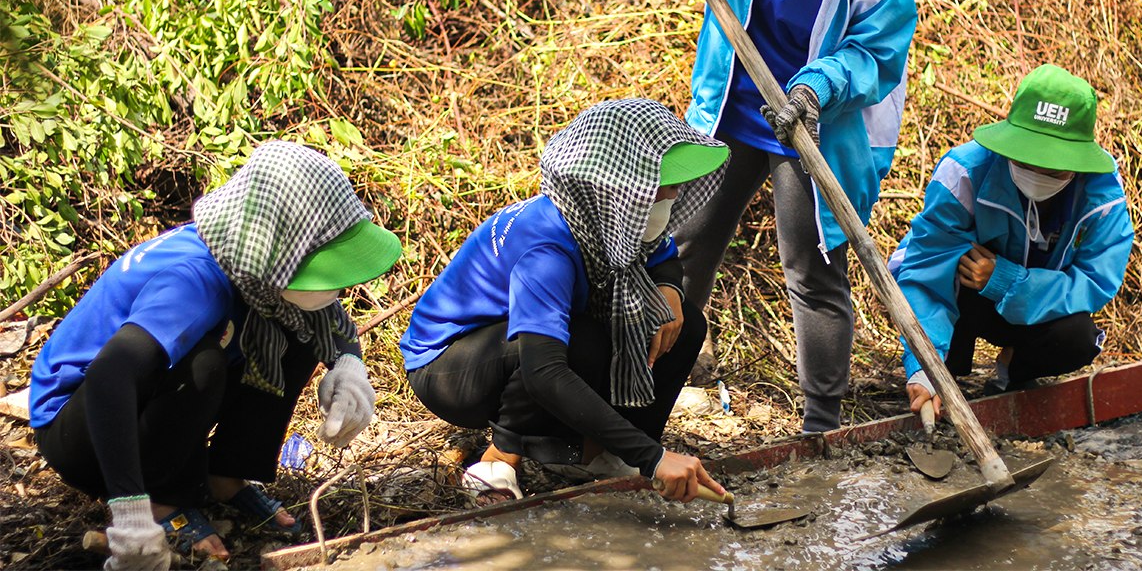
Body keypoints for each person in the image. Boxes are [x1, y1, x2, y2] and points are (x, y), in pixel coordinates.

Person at [632, 0, 921, 433]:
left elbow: (878, 51)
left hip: (814, 119)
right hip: (730, 100)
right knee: (684, 253)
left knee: (813, 268)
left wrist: (815, 88)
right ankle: (644, 407)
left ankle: (821, 427)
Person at [30, 141, 402, 570]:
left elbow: (325, 317)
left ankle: (223, 477)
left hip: (139, 404)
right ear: (277, 247)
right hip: (83, 430)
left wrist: (349, 365)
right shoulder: (192, 281)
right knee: (203, 364)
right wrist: (129, 512)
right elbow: (108, 379)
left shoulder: (250, 266)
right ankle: (159, 503)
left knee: (294, 332)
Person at [400, 99, 730, 503]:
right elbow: (543, 370)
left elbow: (663, 258)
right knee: (570, 344)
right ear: (619, 187)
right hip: (450, 367)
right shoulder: (547, 251)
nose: (675, 193)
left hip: (523, 348)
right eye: (664, 185)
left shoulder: (607, 222)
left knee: (688, 323)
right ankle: (498, 461)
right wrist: (654, 458)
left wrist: (670, 291)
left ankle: (598, 453)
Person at [889, 65, 1135, 417]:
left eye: (1052, 168)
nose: (1037, 173)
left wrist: (1005, 281)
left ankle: (1013, 368)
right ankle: (945, 375)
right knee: (959, 267)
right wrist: (925, 364)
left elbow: (1094, 281)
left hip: (1038, 305)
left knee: (1078, 338)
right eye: (1027, 160)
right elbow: (927, 273)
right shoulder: (965, 173)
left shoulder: (1103, 199)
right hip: (965, 298)